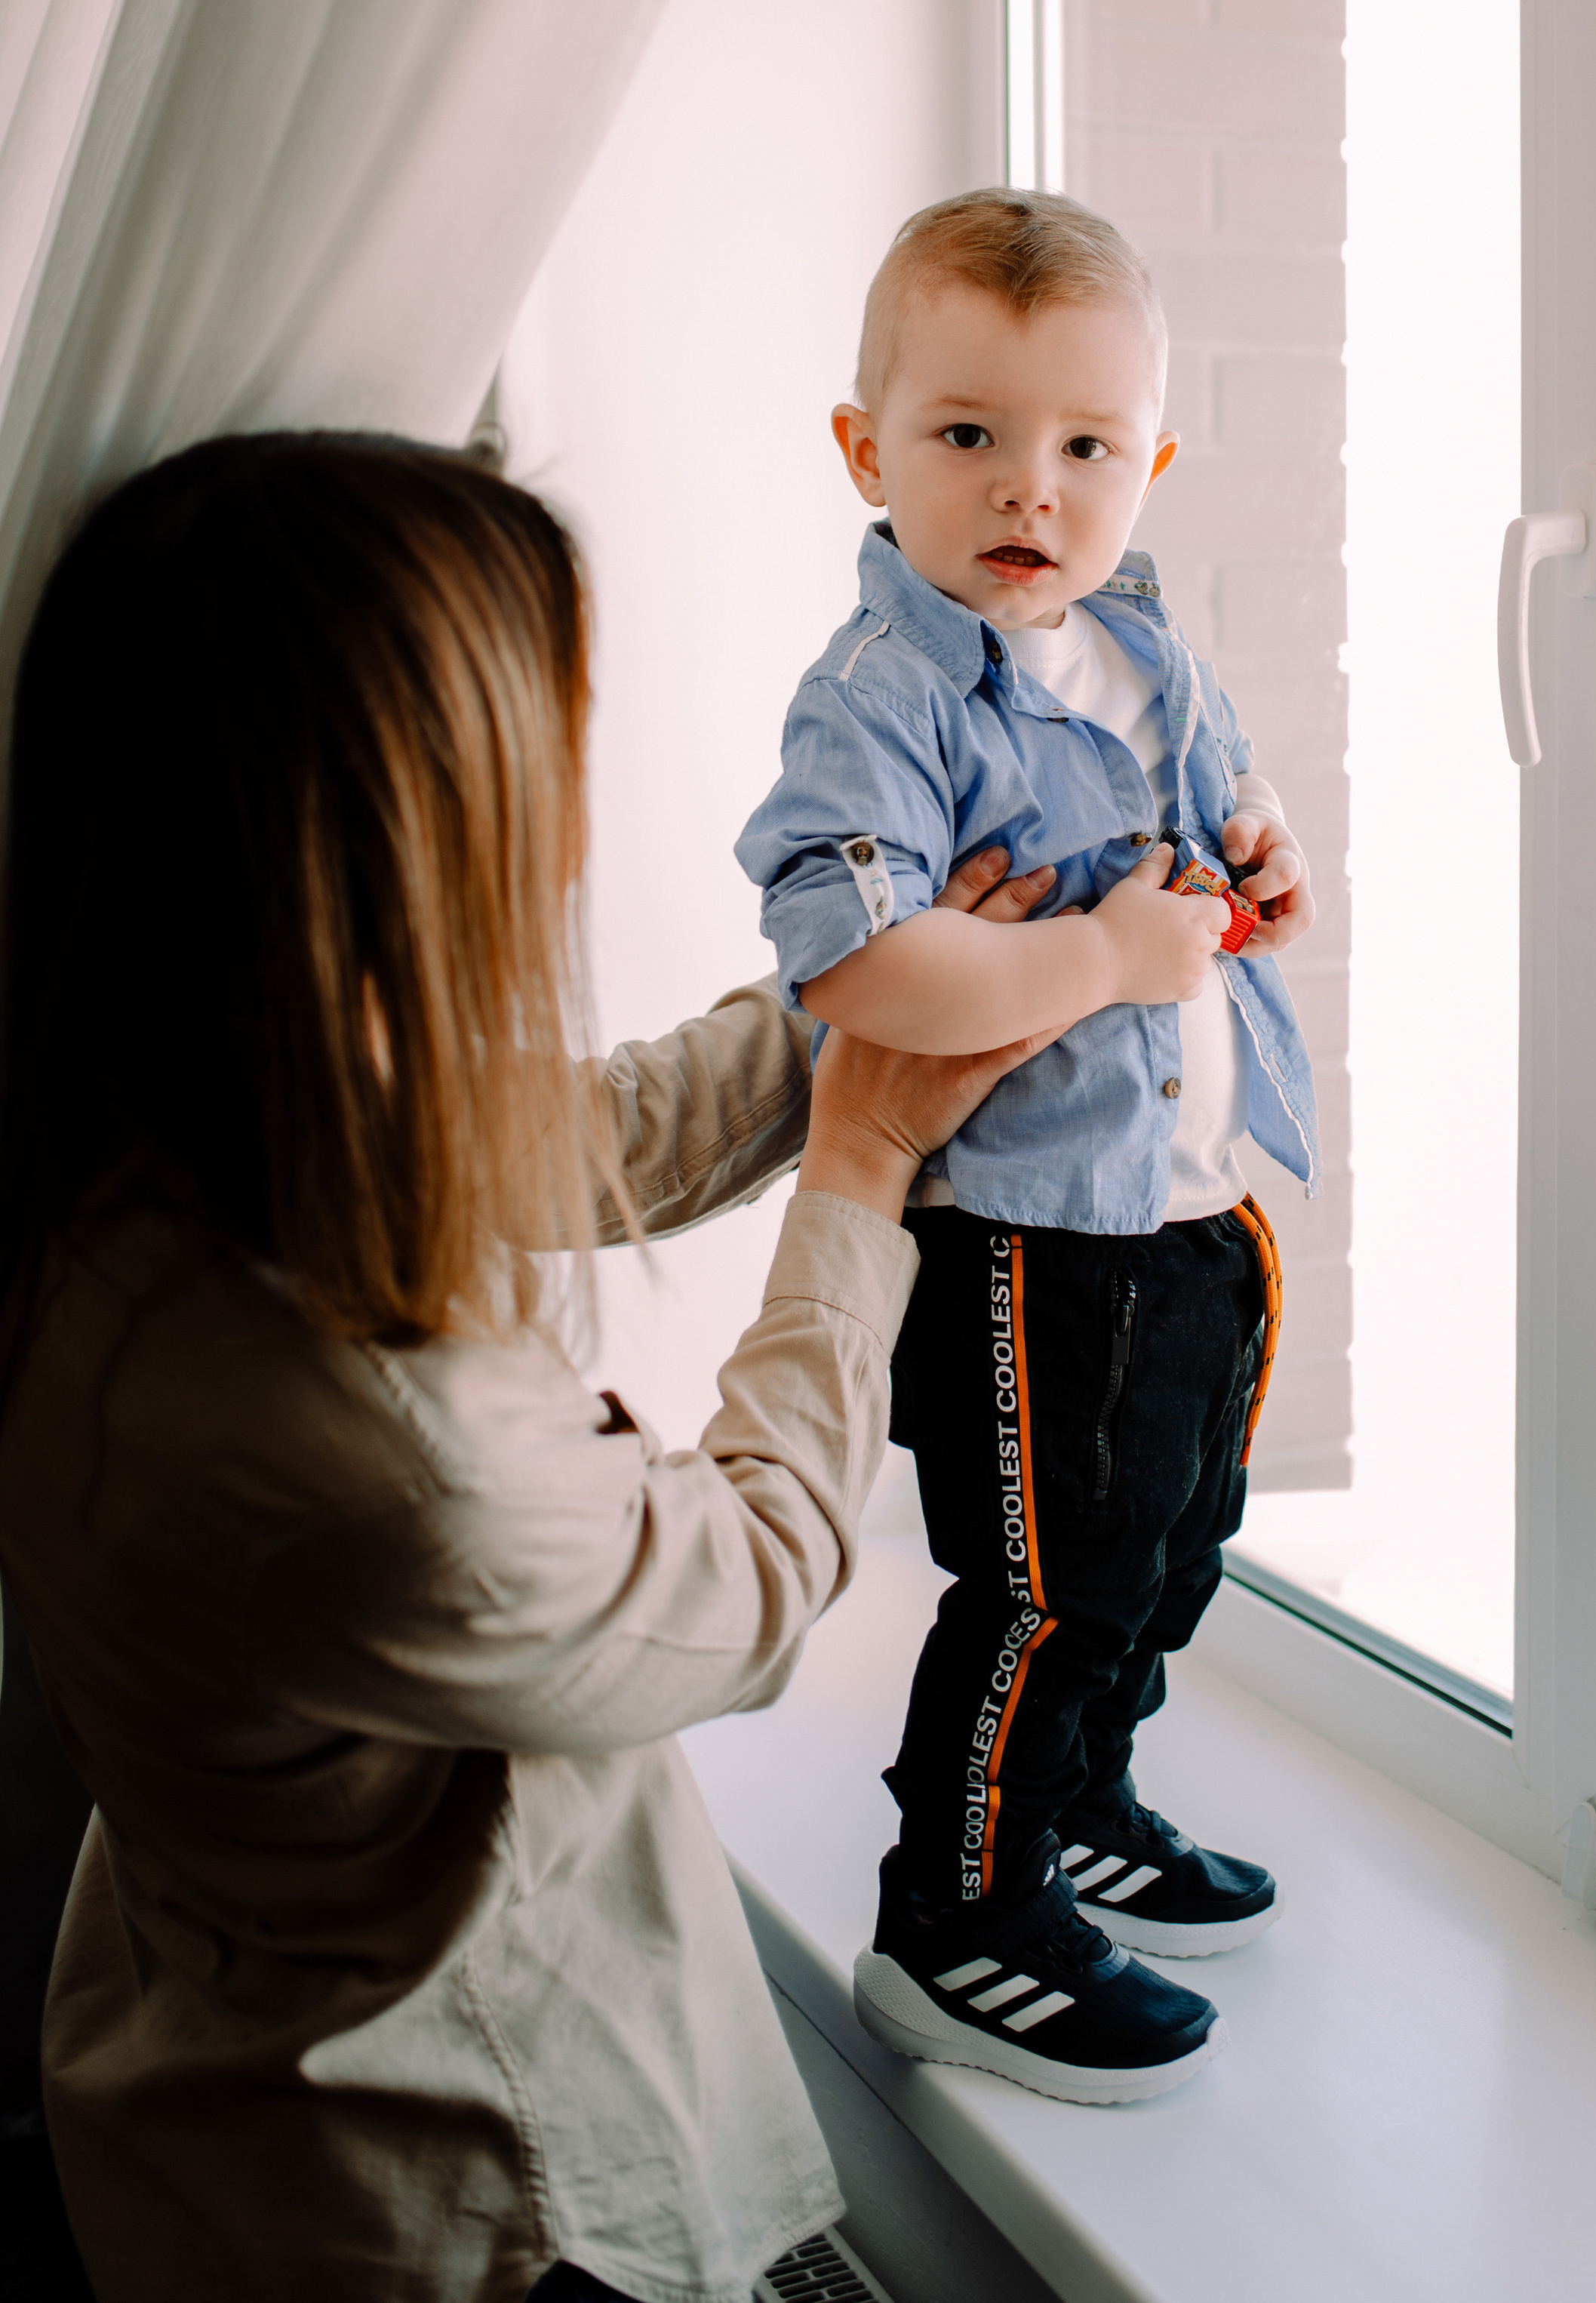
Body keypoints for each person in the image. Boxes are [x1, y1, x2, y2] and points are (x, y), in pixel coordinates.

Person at [0, 432, 1061, 2303]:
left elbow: (593, 1129)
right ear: (407, 820)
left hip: (215, 2087)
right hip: (465, 2203)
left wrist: (872, 985)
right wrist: (866, 1166)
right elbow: (741, 1589)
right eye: (536, 757)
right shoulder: (363, 1442)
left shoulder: (153, 1116)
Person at [735, 189, 1321, 2107]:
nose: (1028, 491)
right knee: (1042, 1583)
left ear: (1145, 460)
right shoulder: (885, 694)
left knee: (1162, 1558)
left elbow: (1218, 816)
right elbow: (855, 957)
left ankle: (1075, 1809)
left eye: (1083, 447)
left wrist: (1260, 863)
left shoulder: (1140, 645)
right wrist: (1091, 953)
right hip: (1028, 1233)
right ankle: (954, 1907)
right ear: (867, 449)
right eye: (968, 435)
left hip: (1190, 1207)